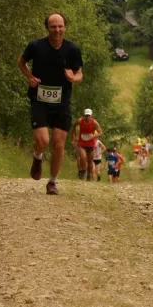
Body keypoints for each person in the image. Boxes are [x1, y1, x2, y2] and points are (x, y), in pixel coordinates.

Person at [17, 11, 83, 195]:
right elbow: (21, 62)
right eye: (53, 26)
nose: (57, 30)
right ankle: (37, 157)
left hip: (62, 102)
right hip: (39, 99)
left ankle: (52, 182)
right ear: (47, 28)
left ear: (65, 27)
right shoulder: (36, 46)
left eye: (60, 26)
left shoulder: (72, 49)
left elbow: (80, 74)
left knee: (58, 143)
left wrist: (73, 78)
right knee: (43, 140)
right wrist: (29, 76)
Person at [71, 109, 103, 181]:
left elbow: (100, 132)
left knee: (90, 161)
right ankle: (83, 171)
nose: (87, 117)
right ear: (84, 115)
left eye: (88, 115)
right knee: (83, 157)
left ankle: (88, 176)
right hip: (81, 143)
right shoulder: (80, 121)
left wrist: (93, 136)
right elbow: (74, 128)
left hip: (91, 144)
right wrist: (74, 138)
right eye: (86, 115)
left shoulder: (95, 123)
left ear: (91, 116)